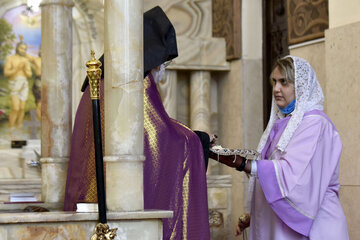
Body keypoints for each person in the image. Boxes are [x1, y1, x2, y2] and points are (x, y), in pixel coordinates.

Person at [64, 6, 211, 239]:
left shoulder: (105, 77)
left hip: (92, 192)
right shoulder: (135, 82)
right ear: (151, 56)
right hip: (117, 202)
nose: (162, 70)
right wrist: (198, 139)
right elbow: (157, 135)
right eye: (163, 63)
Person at [211, 56, 349, 239]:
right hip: (283, 222)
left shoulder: (315, 124)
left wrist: (242, 163)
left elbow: (292, 178)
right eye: (274, 82)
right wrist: (255, 215)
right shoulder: (285, 123)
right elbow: (273, 177)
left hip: (315, 227)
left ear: (301, 86)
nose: (276, 89)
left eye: (284, 82)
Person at [3, 36, 32, 132]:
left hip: (24, 84)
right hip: (14, 84)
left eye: (25, 49)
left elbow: (29, 74)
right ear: (17, 48)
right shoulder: (10, 58)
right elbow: (6, 73)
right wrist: (17, 68)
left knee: (22, 108)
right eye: (21, 48)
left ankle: (19, 127)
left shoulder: (26, 60)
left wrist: (24, 69)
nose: (23, 50)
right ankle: (11, 129)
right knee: (15, 108)